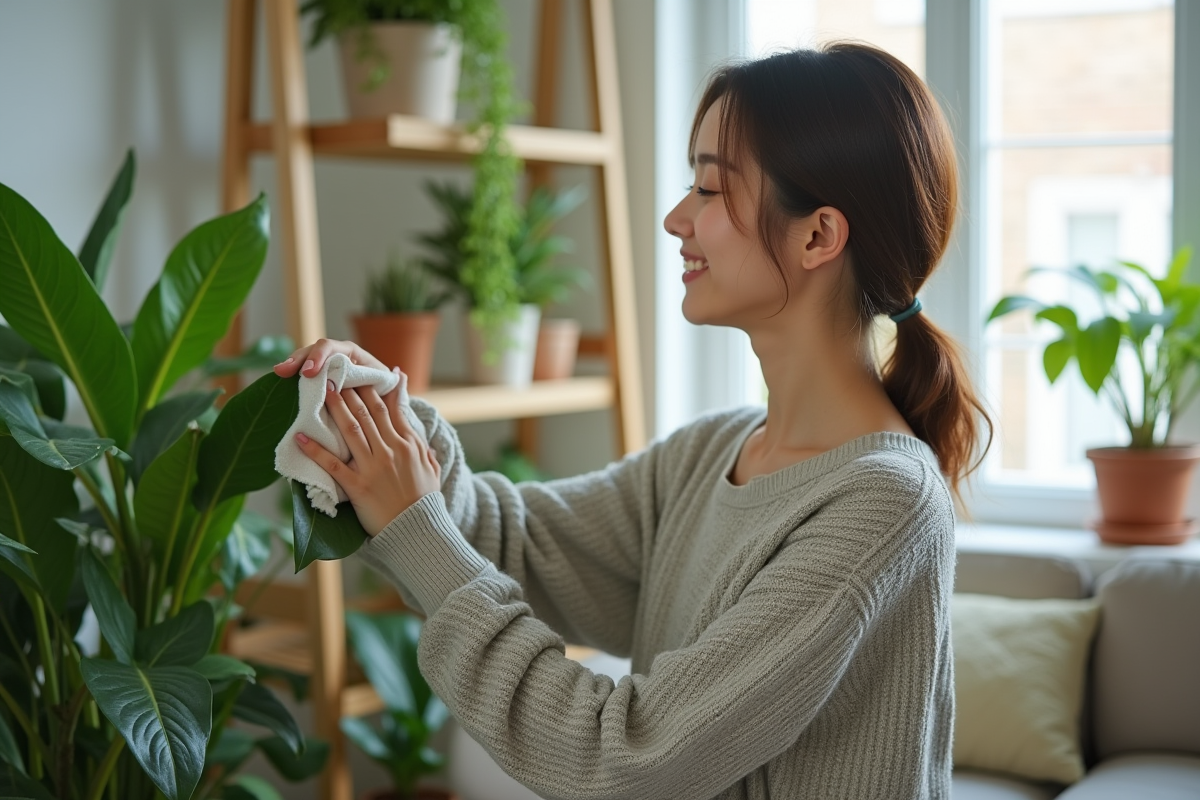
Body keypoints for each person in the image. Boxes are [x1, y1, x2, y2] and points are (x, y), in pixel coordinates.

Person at [274, 42, 991, 800]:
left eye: (712, 190)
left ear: (818, 236)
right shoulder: (712, 453)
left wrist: (415, 522)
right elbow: (514, 539)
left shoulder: (884, 504)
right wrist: (382, 418)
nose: (676, 217)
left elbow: (625, 759)